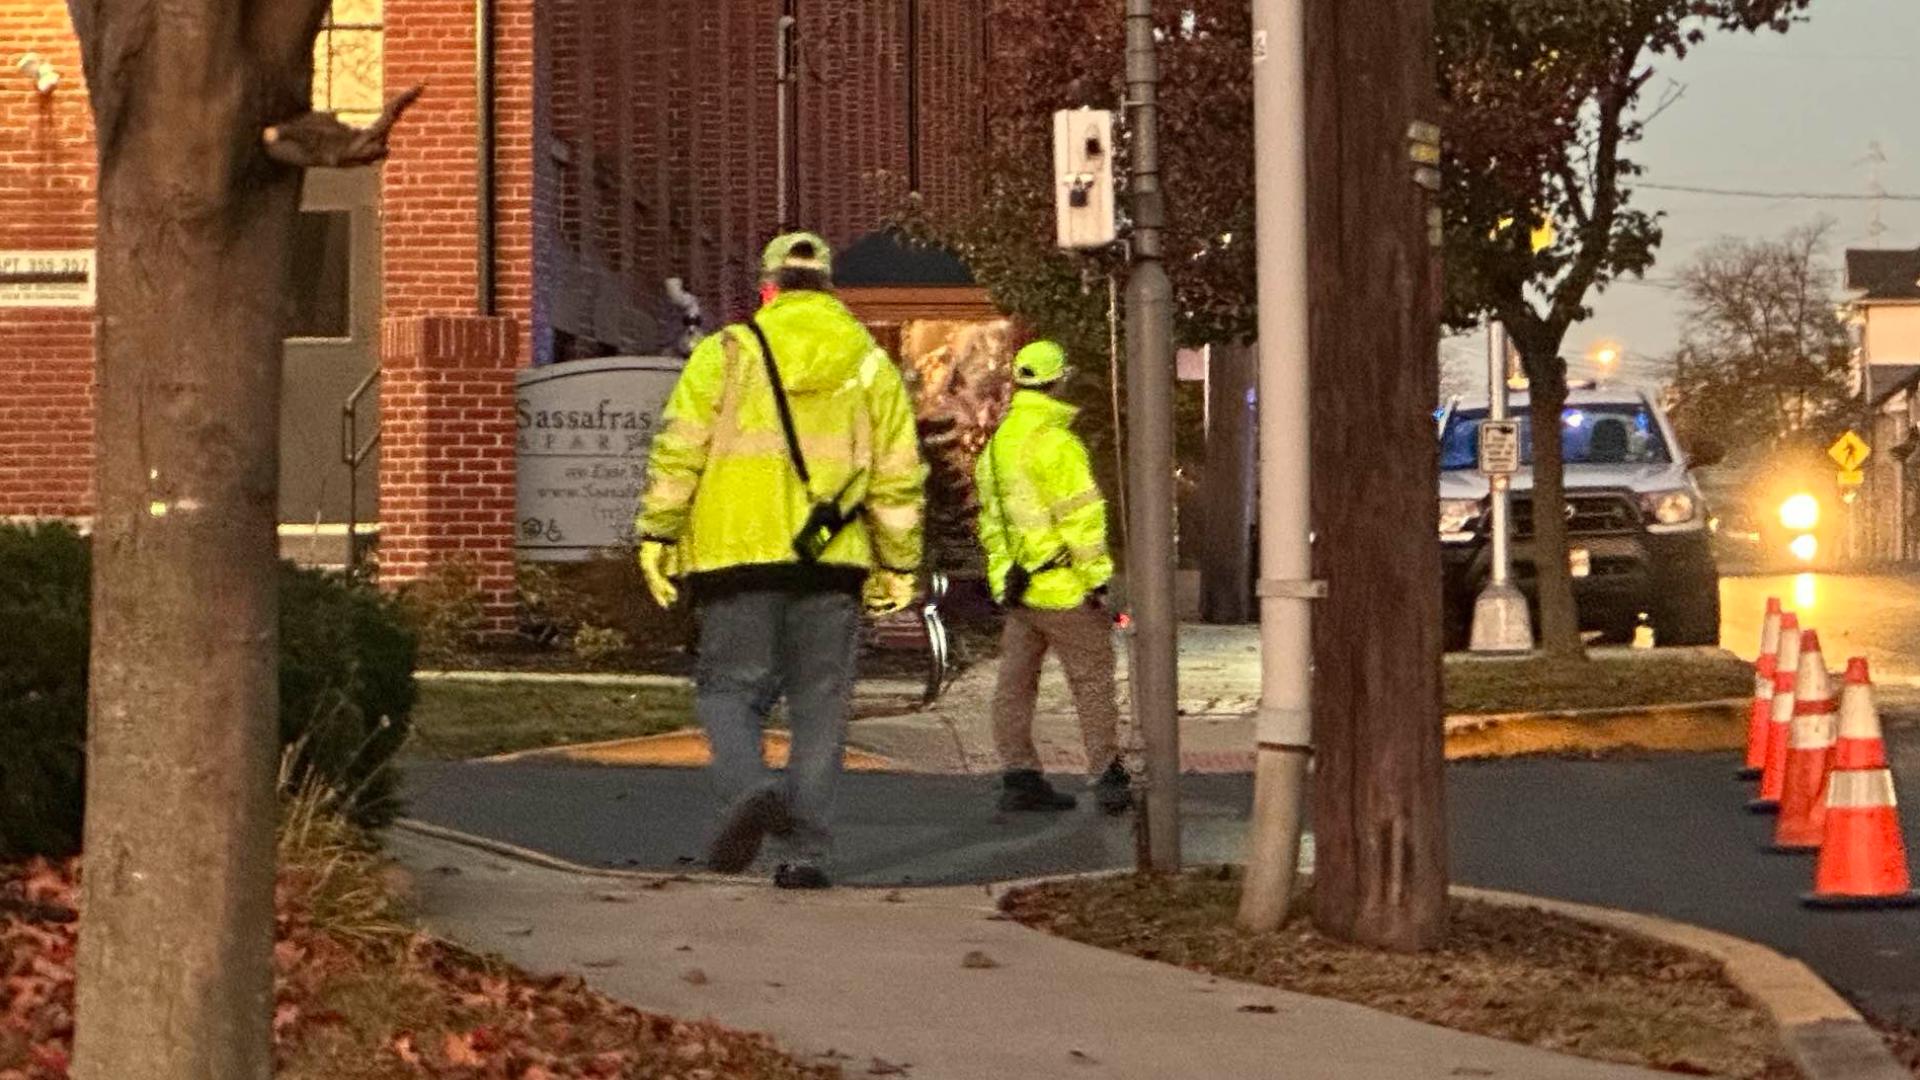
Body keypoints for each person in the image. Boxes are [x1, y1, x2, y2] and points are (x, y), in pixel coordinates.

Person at [635, 232, 927, 889]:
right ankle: (805, 855)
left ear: (767, 289)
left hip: (735, 558)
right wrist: (898, 563)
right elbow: (898, 476)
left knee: (729, 692)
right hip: (834, 564)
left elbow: (679, 452)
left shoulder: (727, 354)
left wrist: (657, 534)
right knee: (821, 710)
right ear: (828, 288)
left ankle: (748, 789)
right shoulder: (869, 364)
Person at [976, 340, 1131, 815]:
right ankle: (1107, 773)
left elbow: (992, 522)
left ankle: (1019, 774)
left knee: (1015, 684)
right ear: (1057, 380)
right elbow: (1081, 519)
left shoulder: (998, 445)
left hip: (1021, 589)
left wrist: (1006, 576)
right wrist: (1098, 580)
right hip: (1063, 588)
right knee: (1092, 680)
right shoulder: (1056, 444)